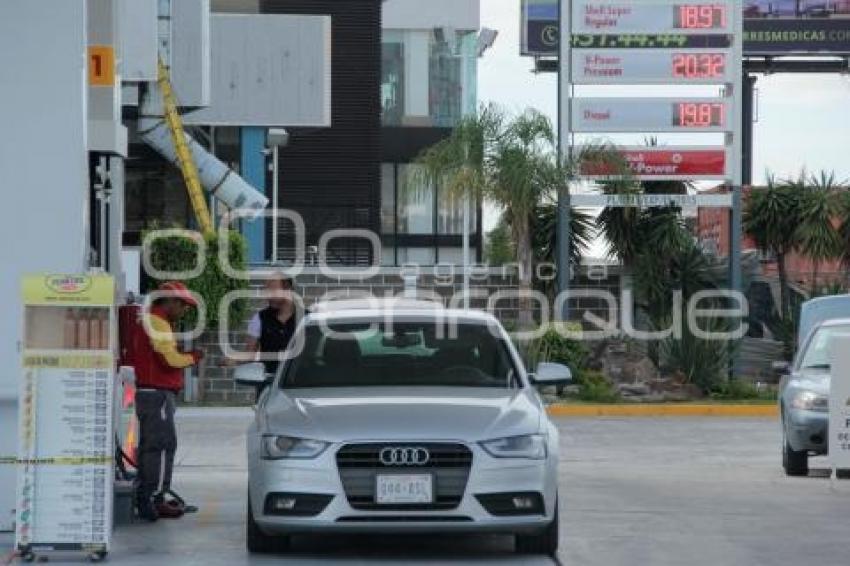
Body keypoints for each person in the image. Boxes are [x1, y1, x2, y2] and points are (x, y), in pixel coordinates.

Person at [133, 281, 203, 521]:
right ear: (170, 301)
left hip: (149, 393)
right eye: (182, 304)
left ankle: (147, 495)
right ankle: (155, 498)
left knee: (150, 446)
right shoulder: (158, 321)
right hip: (158, 394)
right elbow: (169, 360)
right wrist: (192, 357)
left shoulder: (150, 319)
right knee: (163, 446)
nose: (183, 310)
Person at [228, 274, 303, 390]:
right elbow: (250, 353)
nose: (267, 295)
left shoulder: (307, 319)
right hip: (269, 388)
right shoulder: (259, 319)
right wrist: (234, 358)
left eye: (272, 290)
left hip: (300, 387)